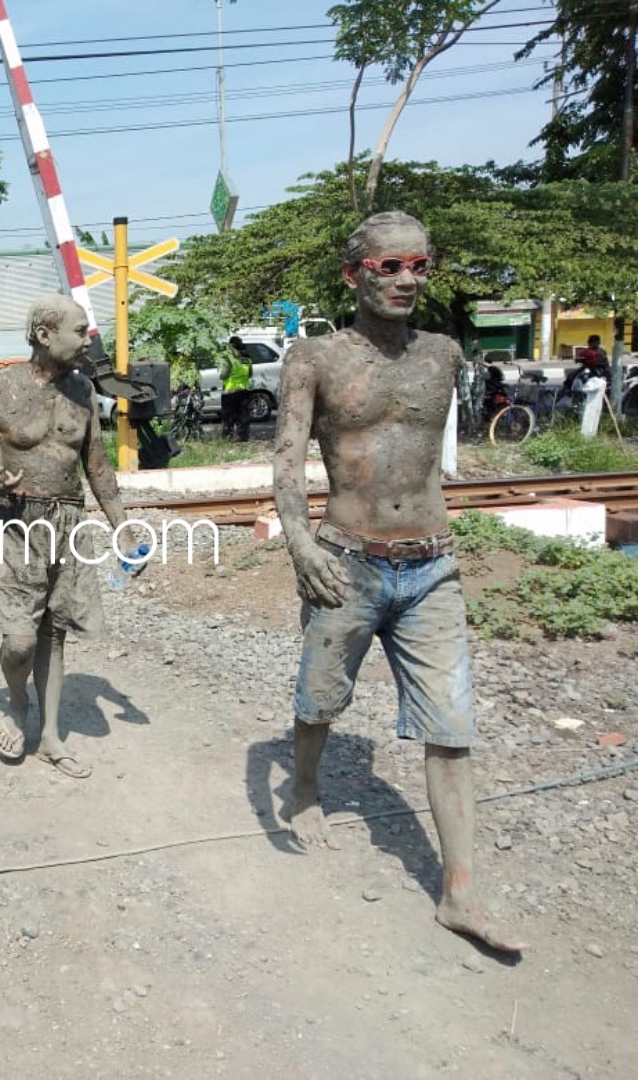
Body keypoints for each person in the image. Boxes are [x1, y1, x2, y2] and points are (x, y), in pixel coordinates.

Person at [272, 210, 524, 953]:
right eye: (390, 266)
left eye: (419, 264)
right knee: (320, 701)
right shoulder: (312, 357)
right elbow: (288, 460)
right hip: (345, 561)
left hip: (432, 566)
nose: (408, 278)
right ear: (355, 276)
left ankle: (461, 893)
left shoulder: (443, 353)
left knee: (452, 730)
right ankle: (306, 787)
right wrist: (299, 545)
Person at [0, 294, 127, 780]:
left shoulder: (84, 390)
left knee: (54, 633)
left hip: (67, 522)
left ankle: (49, 736)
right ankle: (17, 701)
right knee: (20, 640)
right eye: (79, 330)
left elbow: (97, 465)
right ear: (45, 335)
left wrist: (122, 526)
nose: (88, 340)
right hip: (15, 522)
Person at [218, 336, 253, 442]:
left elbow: (223, 375)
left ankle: (228, 438)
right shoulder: (247, 358)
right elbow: (250, 374)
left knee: (228, 416)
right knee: (243, 416)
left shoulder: (228, 358)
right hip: (244, 390)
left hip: (230, 391)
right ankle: (243, 437)